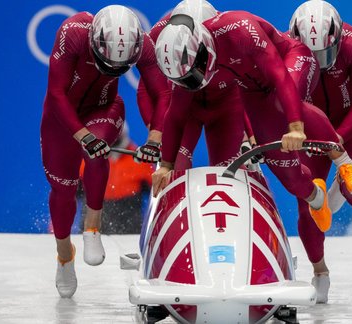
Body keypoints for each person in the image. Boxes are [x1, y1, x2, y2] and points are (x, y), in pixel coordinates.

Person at [152, 11, 352, 250]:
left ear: (203, 48)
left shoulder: (239, 30)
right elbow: (175, 116)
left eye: (195, 73)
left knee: (281, 103)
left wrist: (296, 127)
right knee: (289, 177)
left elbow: (279, 75)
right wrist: (166, 166)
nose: (196, 82)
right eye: (186, 80)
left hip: (289, 62)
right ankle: (317, 198)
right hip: (254, 93)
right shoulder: (188, 65)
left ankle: (344, 162)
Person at [40, 5, 170, 298]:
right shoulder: (72, 33)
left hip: (104, 107)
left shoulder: (143, 44)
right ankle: (64, 256)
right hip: (62, 116)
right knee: (62, 189)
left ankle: (92, 228)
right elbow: (57, 94)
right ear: (95, 44)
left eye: (120, 68)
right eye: (106, 63)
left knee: (97, 152)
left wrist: (155, 138)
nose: (113, 71)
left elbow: (162, 92)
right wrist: (81, 135)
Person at [289, 0, 352, 303]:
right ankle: (320, 272)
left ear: (338, 37)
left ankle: (338, 182)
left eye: (326, 54)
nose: (320, 62)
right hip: (309, 127)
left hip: (347, 125)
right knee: (307, 204)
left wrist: (336, 139)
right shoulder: (283, 47)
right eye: (311, 56)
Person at [136, 0, 219, 170]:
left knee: (233, 160)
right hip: (182, 101)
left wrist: (248, 137)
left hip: (219, 95)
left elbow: (241, 84)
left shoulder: (222, 28)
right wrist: (155, 136)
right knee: (177, 163)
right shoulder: (159, 34)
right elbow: (146, 88)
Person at [77, 124, 153, 235]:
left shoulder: (139, 160)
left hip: (130, 227)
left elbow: (157, 194)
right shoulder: (86, 160)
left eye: (116, 138)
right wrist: (56, 229)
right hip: (92, 226)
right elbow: (68, 197)